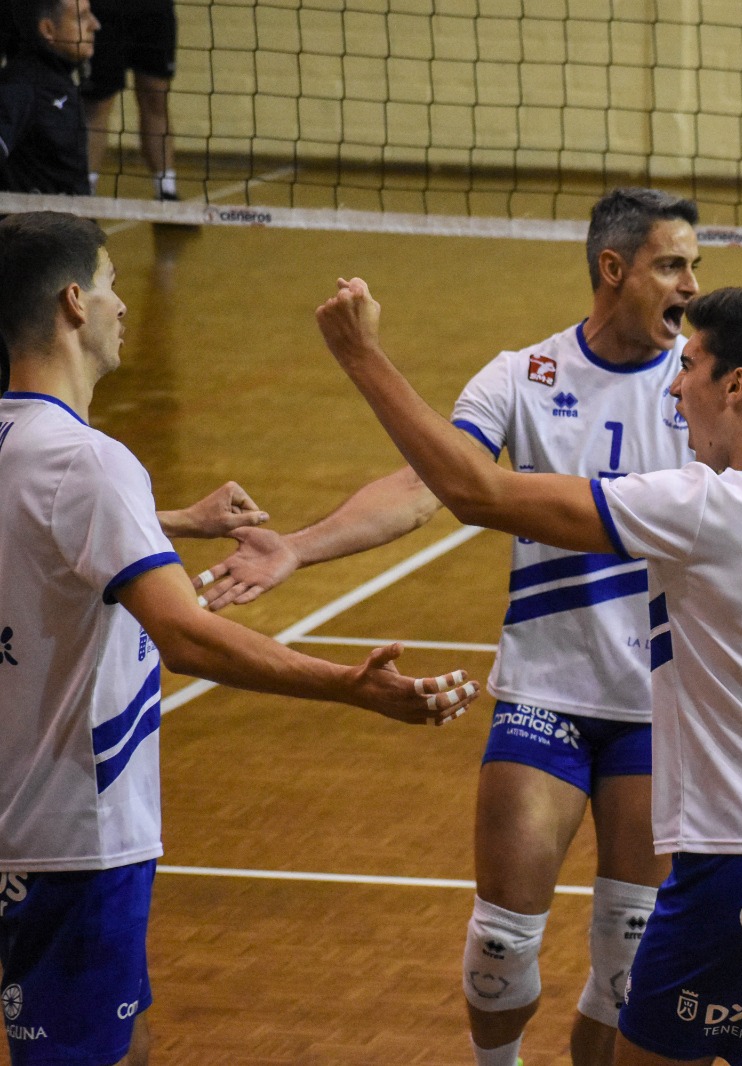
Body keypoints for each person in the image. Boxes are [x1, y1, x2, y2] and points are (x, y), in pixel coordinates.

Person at [313, 279, 742, 1066]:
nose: (675, 388)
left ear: (736, 385)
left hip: (738, 865)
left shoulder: (705, 505)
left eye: (691, 365)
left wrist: (362, 356)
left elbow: (478, 491)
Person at [196, 187, 701, 1066]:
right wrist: (299, 549)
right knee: (500, 950)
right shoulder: (523, 376)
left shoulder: (703, 386)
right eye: (671, 265)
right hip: (546, 692)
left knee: (629, 968)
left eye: (695, 266)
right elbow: (423, 484)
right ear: (613, 269)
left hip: (658, 704)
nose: (691, 285)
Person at [0, 210, 479, 1066]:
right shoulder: (90, 464)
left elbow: (42, 525)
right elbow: (188, 639)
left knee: (128, 1041)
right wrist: (347, 685)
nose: (121, 304)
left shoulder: (32, 454)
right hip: (73, 840)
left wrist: (175, 521)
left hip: (20, 822)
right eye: (110, 283)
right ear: (73, 303)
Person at [81, 0, 179, 200]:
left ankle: (166, 190)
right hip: (103, 11)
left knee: (156, 100)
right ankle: (85, 190)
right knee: (97, 104)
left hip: (154, 11)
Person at [0, 0, 99, 194]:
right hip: (32, 213)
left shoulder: (59, 79)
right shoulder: (21, 86)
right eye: (81, 17)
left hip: (67, 211)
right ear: (48, 29)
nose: (95, 24)